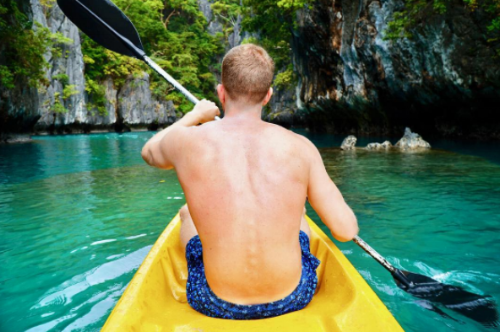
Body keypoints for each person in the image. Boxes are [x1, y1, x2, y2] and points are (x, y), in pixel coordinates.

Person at [141, 44, 358, 319]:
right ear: (268, 96)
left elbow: (149, 152)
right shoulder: (301, 148)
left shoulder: (184, 142)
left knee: (187, 214)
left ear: (221, 92)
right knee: (300, 214)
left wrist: (194, 116)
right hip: (293, 297)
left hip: (213, 301)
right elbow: (346, 230)